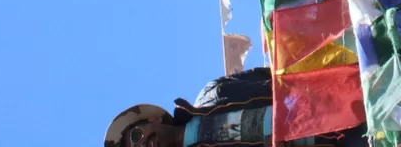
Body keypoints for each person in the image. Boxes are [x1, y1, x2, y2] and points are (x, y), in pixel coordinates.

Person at [103, 67, 365, 147]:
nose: (141, 145)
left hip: (332, 105)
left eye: (135, 136)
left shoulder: (211, 93)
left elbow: (276, 73)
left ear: (152, 121)